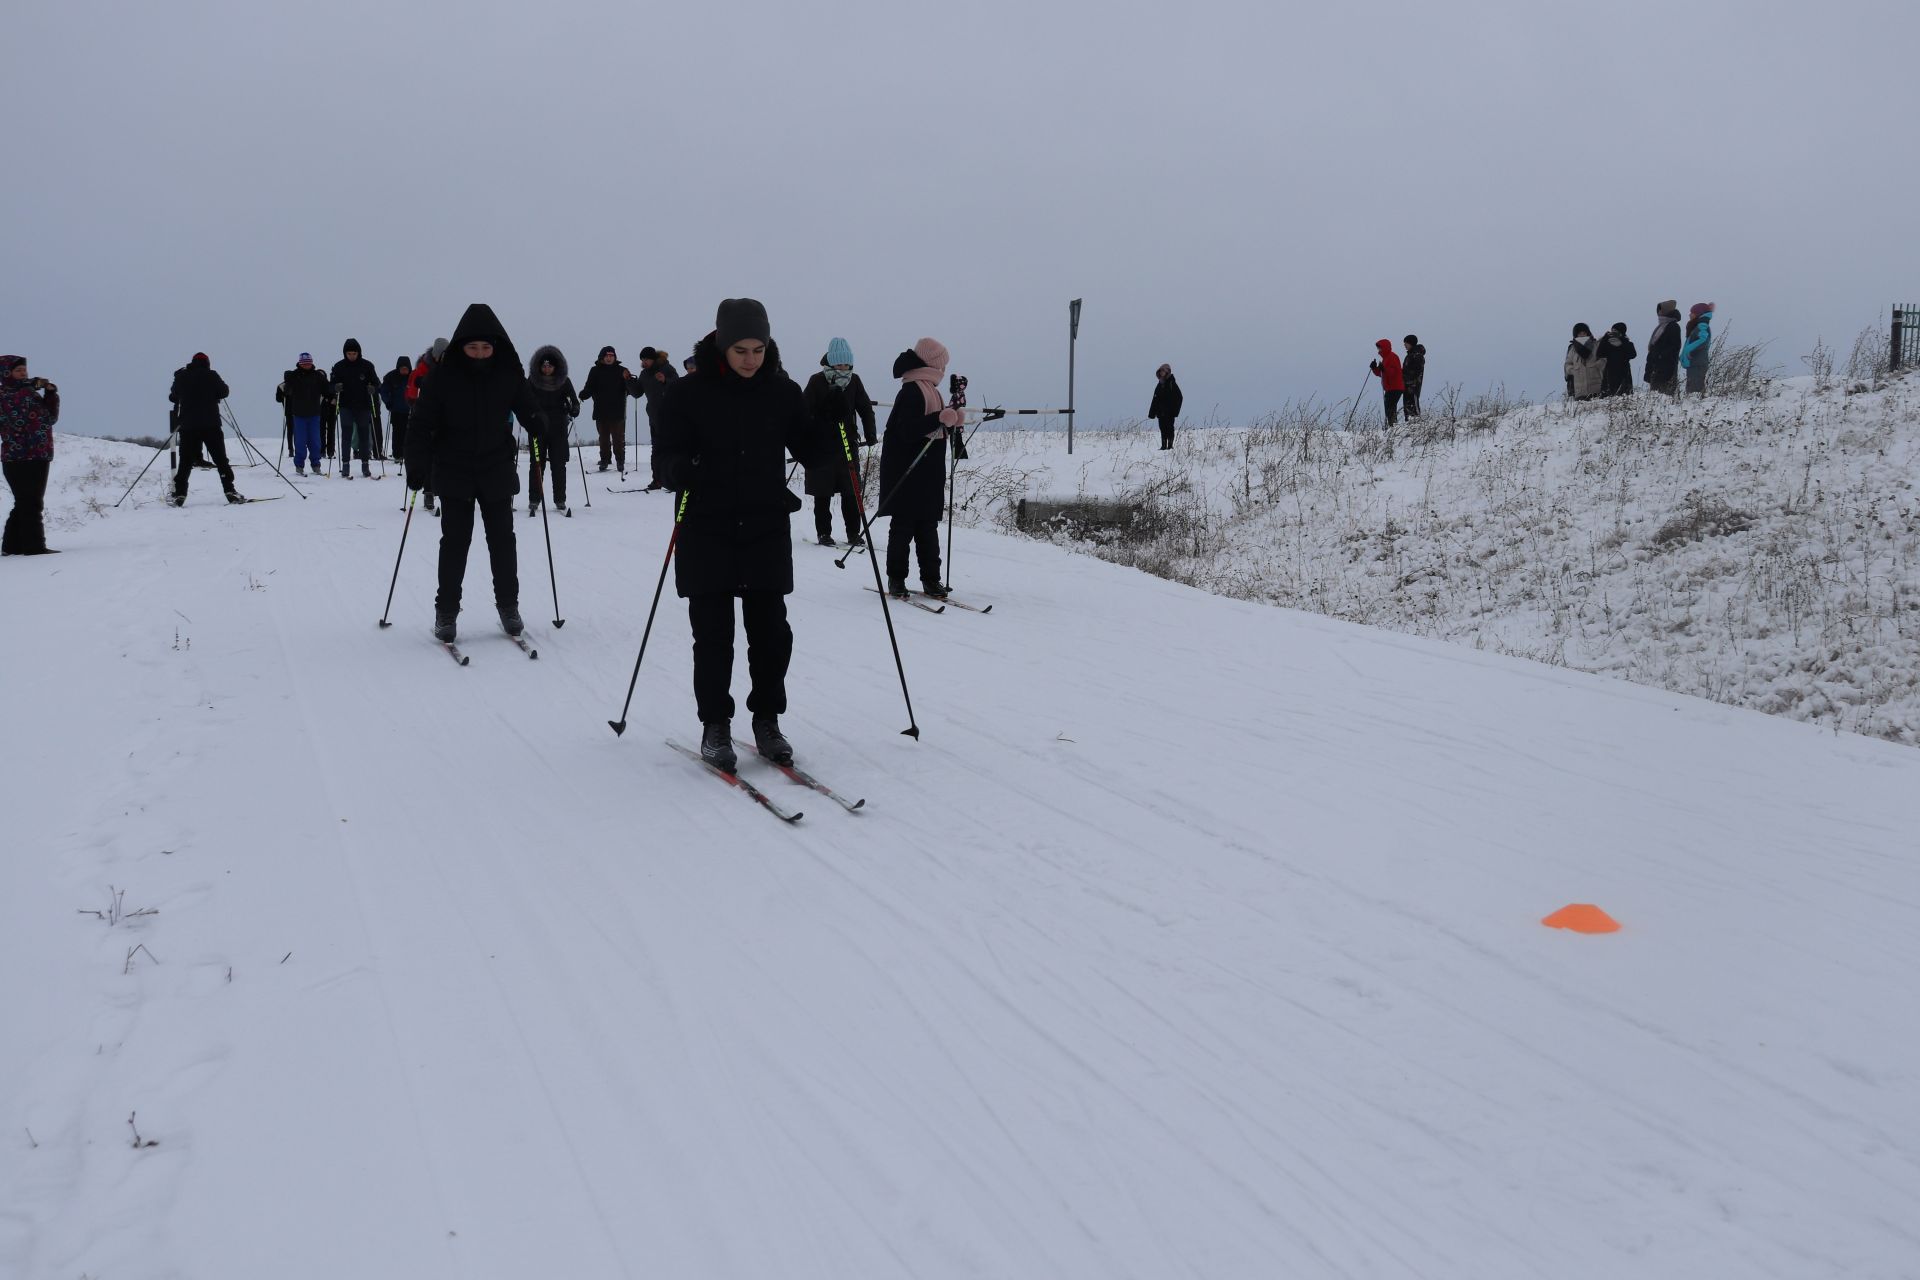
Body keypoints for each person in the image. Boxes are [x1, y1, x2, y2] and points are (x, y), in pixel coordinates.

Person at [652, 298, 811, 772]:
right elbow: (665, 460)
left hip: (764, 526)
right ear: (721, 344)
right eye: (740, 349)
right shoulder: (688, 393)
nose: (750, 359)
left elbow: (811, 445)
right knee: (714, 637)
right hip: (707, 526)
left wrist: (833, 426)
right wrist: (684, 469)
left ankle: (766, 721)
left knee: (771, 635)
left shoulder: (783, 393)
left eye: (758, 349)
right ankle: (715, 726)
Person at [407, 304, 544, 643]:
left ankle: (508, 606)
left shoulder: (507, 374)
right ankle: (446, 612)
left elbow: (528, 408)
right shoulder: (442, 376)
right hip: (454, 468)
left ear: (495, 346)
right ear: (460, 347)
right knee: (455, 542)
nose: (480, 354)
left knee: (502, 541)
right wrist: (417, 465)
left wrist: (541, 426)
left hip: (495, 466)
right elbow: (421, 423)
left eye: (485, 347)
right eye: (472, 347)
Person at [879, 337, 962, 600]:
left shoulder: (930, 389)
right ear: (932, 364)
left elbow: (933, 429)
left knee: (927, 528)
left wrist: (951, 421)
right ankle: (896, 579)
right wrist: (938, 418)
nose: (944, 369)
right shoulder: (912, 390)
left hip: (928, 474)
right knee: (903, 527)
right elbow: (907, 431)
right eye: (942, 364)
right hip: (906, 472)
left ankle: (931, 580)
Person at [801, 337, 877, 545]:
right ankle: (823, 533)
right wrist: (819, 420)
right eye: (838, 363)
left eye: (846, 364)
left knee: (851, 491)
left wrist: (871, 433)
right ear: (830, 362)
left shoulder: (854, 381)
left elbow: (865, 408)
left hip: (847, 443)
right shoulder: (817, 381)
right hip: (822, 445)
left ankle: (853, 533)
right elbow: (804, 411)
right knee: (822, 492)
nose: (842, 367)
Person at [0, 355, 60, 555]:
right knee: (30, 502)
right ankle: (34, 547)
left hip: (40, 453)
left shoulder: (29, 392)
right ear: (6, 374)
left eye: (24, 370)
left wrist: (50, 395)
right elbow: (17, 414)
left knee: (27, 501)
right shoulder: (6, 394)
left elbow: (49, 418)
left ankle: (11, 546)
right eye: (18, 371)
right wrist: (30, 385)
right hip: (17, 456)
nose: (23, 373)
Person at [167, 354, 243, 506]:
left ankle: (180, 493)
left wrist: (178, 380)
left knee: (186, 461)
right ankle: (229, 490)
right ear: (207, 363)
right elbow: (224, 392)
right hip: (211, 424)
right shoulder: (211, 375)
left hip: (188, 425)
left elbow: (173, 396)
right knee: (221, 459)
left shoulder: (182, 376)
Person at [525, 345, 579, 516]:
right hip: (537, 428)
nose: (547, 369)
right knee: (537, 464)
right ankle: (534, 499)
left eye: (550, 366)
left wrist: (574, 408)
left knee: (558, 463)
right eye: (544, 366)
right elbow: (523, 400)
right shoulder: (532, 381)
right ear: (539, 367)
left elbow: (573, 399)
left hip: (558, 428)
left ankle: (560, 499)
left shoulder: (563, 381)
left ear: (555, 367)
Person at [405, 339, 447, 512]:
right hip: (426, 418)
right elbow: (410, 393)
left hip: (446, 418)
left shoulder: (452, 370)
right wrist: (416, 404)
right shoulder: (421, 369)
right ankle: (428, 491)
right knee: (427, 454)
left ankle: (446, 490)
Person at [275, 353, 331, 477]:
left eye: (309, 363)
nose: (307, 365)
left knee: (315, 441)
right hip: (299, 414)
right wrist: (285, 391)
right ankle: (299, 466)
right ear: (300, 363)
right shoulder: (294, 376)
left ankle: (316, 465)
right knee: (300, 441)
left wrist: (333, 392)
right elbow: (281, 392)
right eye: (304, 363)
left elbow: (327, 389)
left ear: (312, 363)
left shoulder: (318, 376)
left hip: (314, 414)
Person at [633, 345, 680, 491]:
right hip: (653, 417)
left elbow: (678, 386)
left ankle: (673, 480)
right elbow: (637, 393)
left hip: (670, 416)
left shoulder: (667, 368)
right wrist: (628, 380)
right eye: (642, 360)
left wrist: (665, 380)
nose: (644, 362)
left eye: (646, 359)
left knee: (671, 449)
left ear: (653, 359)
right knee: (657, 450)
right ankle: (657, 480)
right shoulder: (644, 374)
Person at [580, 345, 631, 473]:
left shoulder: (622, 370)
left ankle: (620, 460)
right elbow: (589, 387)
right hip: (600, 410)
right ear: (602, 357)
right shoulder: (595, 370)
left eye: (611, 356)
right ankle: (604, 460)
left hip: (618, 410)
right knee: (603, 438)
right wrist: (584, 394)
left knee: (618, 438)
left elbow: (630, 389)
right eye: (607, 356)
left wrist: (629, 380)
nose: (609, 358)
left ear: (615, 357)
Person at [1644, 300, 1683, 396]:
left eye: (1660, 310)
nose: (1658, 313)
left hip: (1666, 367)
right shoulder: (1661, 326)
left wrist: (1660, 355)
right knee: (1655, 396)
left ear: (1666, 311)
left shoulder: (1673, 326)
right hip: (1657, 366)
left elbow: (1675, 346)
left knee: (1664, 395)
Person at [381, 356, 413, 469]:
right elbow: (383, 391)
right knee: (397, 432)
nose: (404, 371)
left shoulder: (413, 377)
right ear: (398, 368)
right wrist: (388, 402)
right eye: (402, 369)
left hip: (409, 410)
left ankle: (407, 453)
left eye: (406, 369)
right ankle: (397, 454)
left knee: (408, 432)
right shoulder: (391, 377)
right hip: (395, 410)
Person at [1564, 324, 1604, 402]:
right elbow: (1567, 364)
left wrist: (1598, 365)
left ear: (1587, 333)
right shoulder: (1572, 349)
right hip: (1580, 391)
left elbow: (1603, 359)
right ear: (1576, 335)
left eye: (1584, 333)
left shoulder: (1595, 345)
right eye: (1579, 333)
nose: (1582, 335)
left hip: (1596, 388)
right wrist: (1573, 370)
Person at [1369, 339, 1405, 424]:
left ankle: (1393, 426)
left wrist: (1384, 369)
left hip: (1395, 387)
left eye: (1380, 348)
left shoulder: (1392, 356)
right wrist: (1374, 368)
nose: (1379, 350)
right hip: (1390, 388)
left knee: (1390, 408)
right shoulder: (1385, 359)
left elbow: (1393, 372)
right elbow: (1382, 374)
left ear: (1385, 347)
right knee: (1389, 407)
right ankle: (1392, 426)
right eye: (1378, 348)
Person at [1597, 323, 1637, 397]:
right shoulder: (1608, 343)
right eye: (1612, 330)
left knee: (1624, 396)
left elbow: (1633, 354)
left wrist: (1622, 340)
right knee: (1607, 396)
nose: (1613, 332)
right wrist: (1605, 338)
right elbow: (1599, 353)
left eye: (1615, 331)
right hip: (1609, 372)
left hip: (1624, 373)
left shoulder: (1627, 343)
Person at [1682, 303, 1715, 395]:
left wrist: (1689, 350)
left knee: (1694, 393)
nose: (1689, 314)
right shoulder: (1699, 325)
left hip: (1697, 363)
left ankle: (1697, 408)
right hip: (1695, 362)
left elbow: (1703, 340)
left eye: (1692, 312)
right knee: (1693, 390)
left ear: (1698, 314)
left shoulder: (1702, 326)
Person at [1148, 363, 1183, 448]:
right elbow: (1155, 399)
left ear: (1167, 372)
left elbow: (1179, 397)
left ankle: (1170, 446)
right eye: (1160, 371)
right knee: (1162, 429)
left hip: (1169, 412)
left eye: (1163, 371)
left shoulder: (1172, 383)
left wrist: (1175, 411)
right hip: (1160, 412)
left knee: (1169, 428)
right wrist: (1152, 413)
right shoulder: (1159, 384)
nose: (1161, 373)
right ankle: (1163, 446)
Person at [1401, 336, 1426, 419]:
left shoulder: (1417, 355)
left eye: (1406, 343)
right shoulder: (1409, 355)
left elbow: (1416, 371)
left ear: (1411, 343)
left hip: (1413, 386)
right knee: (1407, 407)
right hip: (1407, 385)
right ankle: (1409, 425)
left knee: (1413, 407)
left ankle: (1417, 425)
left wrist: (1406, 377)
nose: (1404, 345)